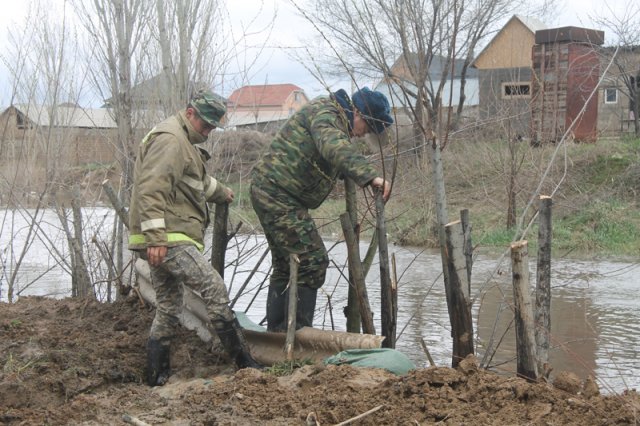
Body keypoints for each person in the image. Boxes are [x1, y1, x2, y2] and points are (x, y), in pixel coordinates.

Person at [128, 90, 262, 387]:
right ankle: (245, 365)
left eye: (214, 127)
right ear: (190, 113)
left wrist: (221, 192)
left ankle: (156, 375)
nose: (209, 131)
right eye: (206, 125)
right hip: (169, 237)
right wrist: (156, 237)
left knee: (168, 305)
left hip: (165, 235)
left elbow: (196, 182)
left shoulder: (183, 142)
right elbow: (152, 189)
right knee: (213, 287)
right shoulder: (171, 140)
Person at [250, 86, 394, 332]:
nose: (362, 136)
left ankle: (278, 336)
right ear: (358, 114)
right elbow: (332, 147)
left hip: (274, 191)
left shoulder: (332, 115)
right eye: (367, 129)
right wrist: (370, 177)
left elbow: (326, 153)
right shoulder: (327, 114)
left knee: (287, 265)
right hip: (278, 194)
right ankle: (297, 336)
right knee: (312, 262)